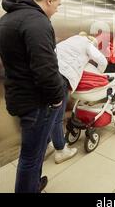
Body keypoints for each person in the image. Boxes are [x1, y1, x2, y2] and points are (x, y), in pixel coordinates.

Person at [0, 0, 65, 193]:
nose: (56, 10)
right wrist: (57, 97)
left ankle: (34, 185)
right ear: (49, 0)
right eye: (58, 5)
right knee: (31, 155)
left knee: (32, 152)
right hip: (36, 101)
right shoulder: (38, 22)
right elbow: (45, 68)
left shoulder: (6, 19)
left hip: (18, 95)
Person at [45, 32, 108, 163]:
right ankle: (61, 151)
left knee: (48, 114)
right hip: (61, 78)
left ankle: (47, 145)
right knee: (57, 118)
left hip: (49, 73)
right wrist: (99, 75)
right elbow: (102, 60)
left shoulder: (68, 41)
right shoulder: (87, 43)